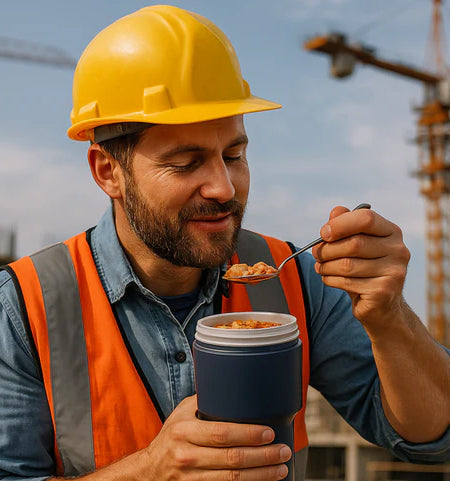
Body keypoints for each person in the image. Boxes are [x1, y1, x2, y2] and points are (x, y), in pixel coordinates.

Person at [0, 5, 448, 481]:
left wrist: (390, 317)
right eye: (186, 163)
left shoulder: (294, 277)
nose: (224, 188)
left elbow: (430, 437)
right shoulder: (24, 306)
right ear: (108, 172)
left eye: (234, 155)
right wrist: (151, 471)